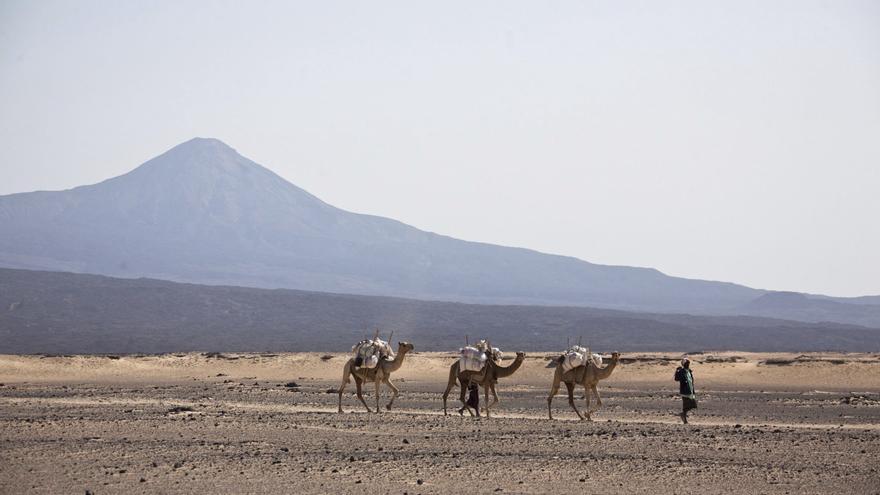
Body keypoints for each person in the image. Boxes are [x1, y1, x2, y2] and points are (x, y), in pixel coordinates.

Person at [674, 357, 697, 424]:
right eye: (686, 363)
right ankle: (684, 418)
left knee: (693, 405)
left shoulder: (689, 371)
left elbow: (691, 380)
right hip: (685, 391)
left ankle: (683, 414)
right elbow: (676, 379)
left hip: (690, 390)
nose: (687, 364)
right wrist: (677, 372)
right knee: (686, 405)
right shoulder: (681, 371)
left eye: (688, 363)